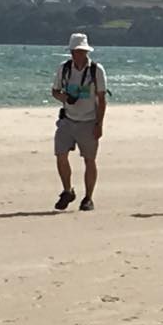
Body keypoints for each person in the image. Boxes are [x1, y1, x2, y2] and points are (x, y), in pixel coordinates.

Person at [51, 33, 107, 211]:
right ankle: (67, 190)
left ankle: (88, 197)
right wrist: (65, 98)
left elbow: (102, 99)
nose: (80, 55)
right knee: (60, 155)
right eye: (77, 51)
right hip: (67, 119)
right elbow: (54, 91)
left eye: (83, 51)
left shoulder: (96, 70)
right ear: (71, 52)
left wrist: (99, 124)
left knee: (89, 160)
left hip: (89, 121)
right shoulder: (64, 69)